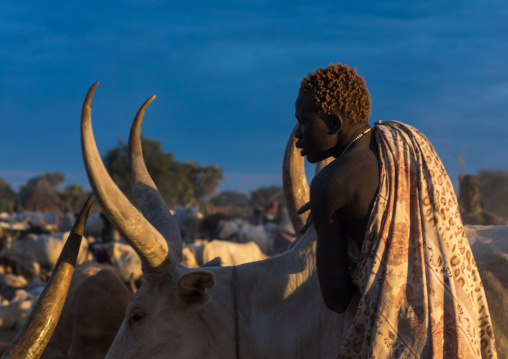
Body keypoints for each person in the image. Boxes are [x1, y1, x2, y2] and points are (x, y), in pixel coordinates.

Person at [295, 63, 496, 358]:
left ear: (334, 125)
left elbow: (336, 299)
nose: (297, 134)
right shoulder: (407, 142)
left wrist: (327, 221)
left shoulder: (330, 183)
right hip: (453, 320)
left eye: (303, 122)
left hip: (395, 338)